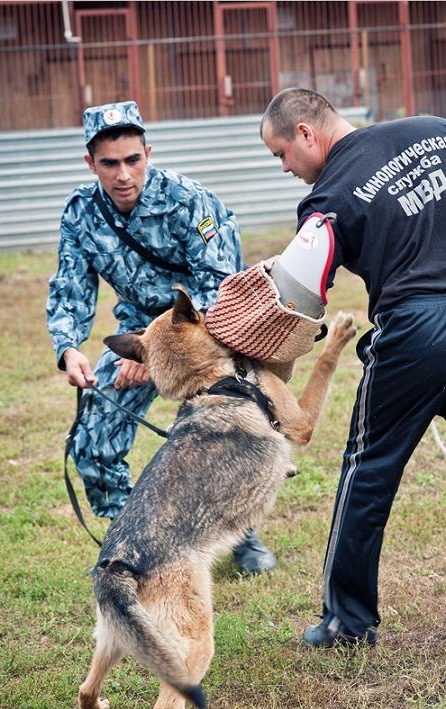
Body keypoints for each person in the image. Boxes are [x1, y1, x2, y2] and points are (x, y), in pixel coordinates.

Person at [260, 87, 446, 681]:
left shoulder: (327, 199)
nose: (286, 169)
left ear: (305, 134)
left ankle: (347, 622)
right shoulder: (438, 130)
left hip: (414, 330)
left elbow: (298, 295)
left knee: (367, 474)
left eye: (281, 155)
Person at [47, 100, 276, 575]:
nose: (123, 174)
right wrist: (69, 349)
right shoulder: (80, 214)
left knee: (219, 438)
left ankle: (241, 535)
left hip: (201, 336)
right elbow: (70, 289)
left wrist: (157, 352)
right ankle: (133, 546)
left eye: (133, 159)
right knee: (92, 446)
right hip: (134, 339)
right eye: (109, 163)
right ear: (91, 164)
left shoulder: (189, 201)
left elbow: (219, 287)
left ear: (148, 152)